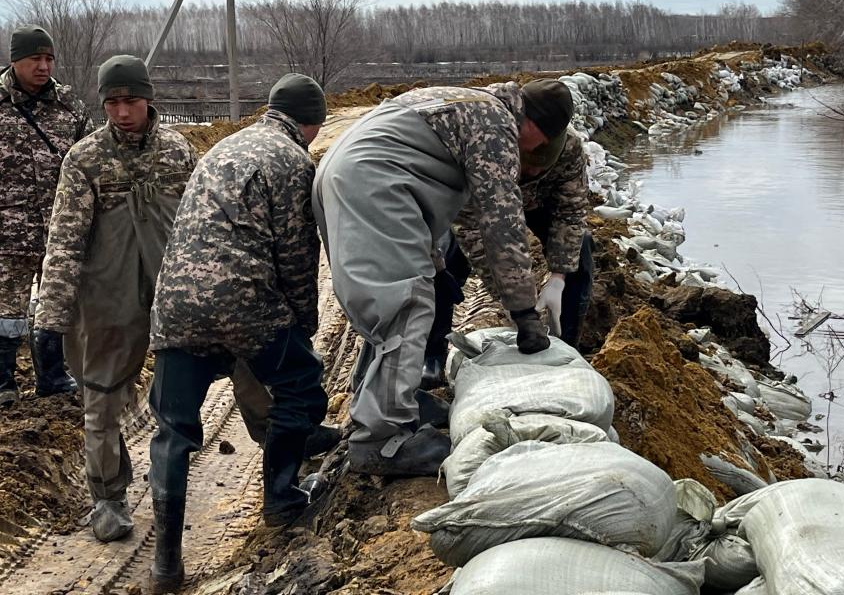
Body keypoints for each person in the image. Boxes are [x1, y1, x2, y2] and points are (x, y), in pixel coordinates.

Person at [312, 79, 574, 477]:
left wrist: (440, 266)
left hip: (342, 174)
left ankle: (387, 400)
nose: (531, 154)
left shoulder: (465, 104)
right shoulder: (497, 125)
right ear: (537, 124)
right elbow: (502, 226)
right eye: (537, 146)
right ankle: (380, 441)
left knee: (389, 300)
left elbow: (472, 225)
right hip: (375, 184)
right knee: (405, 303)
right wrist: (524, 312)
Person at [146, 73, 329, 595]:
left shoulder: (224, 148)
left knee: (173, 429)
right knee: (299, 383)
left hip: (176, 303)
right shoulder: (294, 161)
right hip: (243, 302)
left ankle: (165, 563)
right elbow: (297, 256)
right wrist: (302, 325)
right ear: (310, 123)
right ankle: (282, 499)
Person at [33, 55, 198, 543]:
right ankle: (108, 497)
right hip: (108, 298)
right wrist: (51, 317)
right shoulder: (84, 159)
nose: (122, 112)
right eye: (112, 102)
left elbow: (199, 222)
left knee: (238, 368)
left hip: (175, 292)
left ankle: (281, 459)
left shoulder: (177, 151)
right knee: (100, 400)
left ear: (149, 99)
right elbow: (63, 242)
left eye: (130, 100)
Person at [0, 25, 92, 409]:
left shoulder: (69, 107)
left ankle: (52, 377)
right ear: (15, 60)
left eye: (49, 59)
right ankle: (5, 383)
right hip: (12, 230)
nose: (44, 66)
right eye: (36, 59)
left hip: (64, 233)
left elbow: (92, 164)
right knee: (8, 308)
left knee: (56, 304)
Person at [421, 126, 595, 389]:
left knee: (581, 249)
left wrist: (559, 277)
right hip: (486, 204)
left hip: (539, 203)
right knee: (446, 260)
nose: (534, 172)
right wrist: (511, 299)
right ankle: (432, 355)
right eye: (530, 165)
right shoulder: (489, 141)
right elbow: (472, 230)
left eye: (542, 168)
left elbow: (570, 213)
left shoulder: (570, 149)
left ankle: (567, 345)